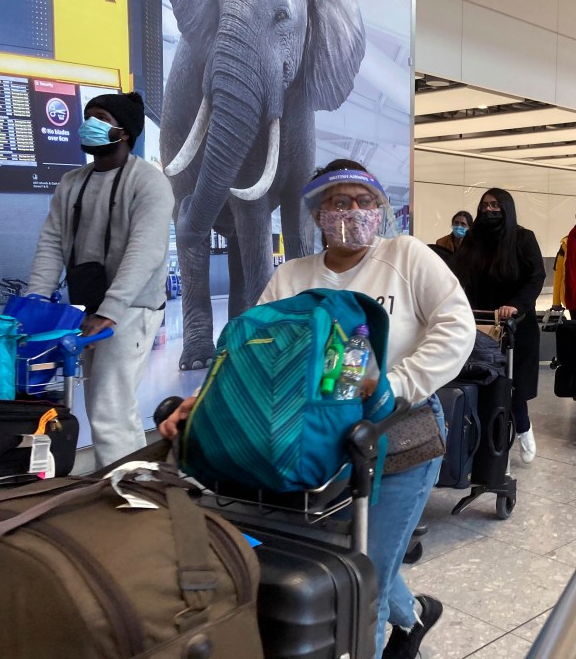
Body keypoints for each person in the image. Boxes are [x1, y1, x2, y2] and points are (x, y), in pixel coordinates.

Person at [160, 161, 475, 659]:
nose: (352, 211)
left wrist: (391, 387)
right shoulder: (293, 276)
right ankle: (415, 616)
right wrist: (205, 403)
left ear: (381, 210)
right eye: (338, 201)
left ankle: (381, 632)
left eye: (364, 201)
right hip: (316, 439)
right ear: (317, 213)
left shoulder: (407, 256)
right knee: (350, 563)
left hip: (398, 438)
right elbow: (247, 356)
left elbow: (457, 327)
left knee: (363, 574)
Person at [28, 92, 173, 469]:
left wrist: (110, 310)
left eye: (101, 116)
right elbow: (51, 244)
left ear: (123, 131)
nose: (89, 122)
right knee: (103, 403)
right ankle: (126, 477)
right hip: (86, 307)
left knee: (109, 405)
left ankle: (129, 489)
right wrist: (33, 305)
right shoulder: (71, 182)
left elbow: (145, 251)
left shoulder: (149, 183)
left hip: (132, 307)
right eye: (87, 115)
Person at [451, 188, 545, 464]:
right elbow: (457, 275)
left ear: (507, 208)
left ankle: (524, 428)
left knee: (511, 387)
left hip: (515, 324)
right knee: (478, 381)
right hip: (479, 323)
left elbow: (535, 276)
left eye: (495, 206)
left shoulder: (523, 238)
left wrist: (516, 304)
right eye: (485, 206)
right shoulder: (472, 239)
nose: (489, 211)